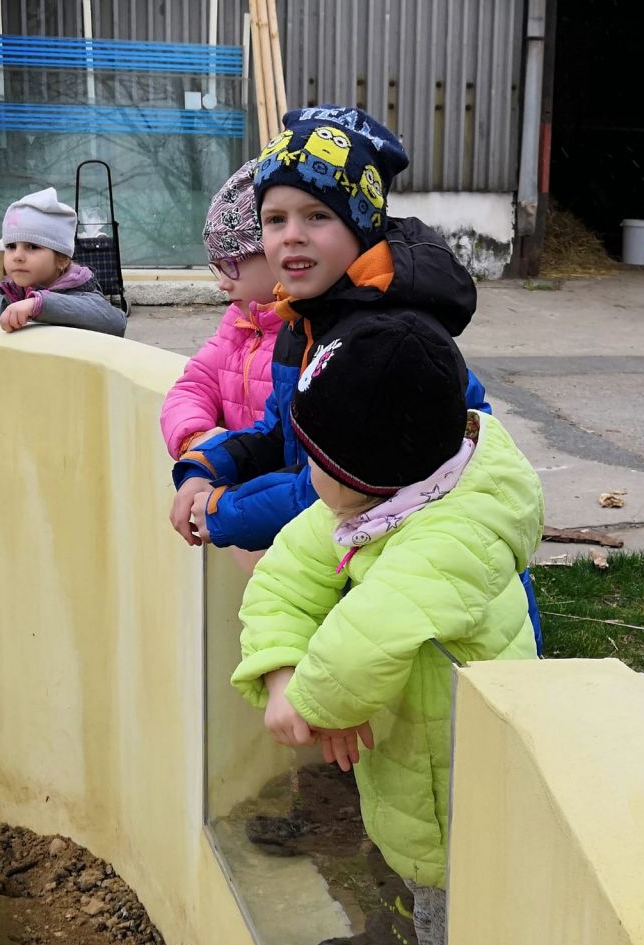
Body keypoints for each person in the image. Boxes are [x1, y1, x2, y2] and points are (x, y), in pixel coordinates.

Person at [230, 316, 544, 945]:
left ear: (362, 473)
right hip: (417, 773)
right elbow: (283, 578)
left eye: (316, 460)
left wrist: (313, 704)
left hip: (467, 800)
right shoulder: (382, 499)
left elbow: (371, 632)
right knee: (426, 914)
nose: (307, 477)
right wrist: (283, 672)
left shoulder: (459, 531)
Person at [168, 104, 542, 650]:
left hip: (426, 588)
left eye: (317, 216)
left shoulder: (385, 342)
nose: (291, 236)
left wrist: (223, 511)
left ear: (362, 224)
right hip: (358, 561)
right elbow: (282, 433)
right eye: (275, 220)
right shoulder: (303, 318)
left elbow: (332, 486)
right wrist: (207, 466)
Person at [160, 160, 283, 460]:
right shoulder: (239, 324)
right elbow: (194, 385)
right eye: (217, 268)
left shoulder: (308, 331)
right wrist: (195, 437)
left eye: (230, 265)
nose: (222, 283)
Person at [0, 187, 126, 337]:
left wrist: (39, 304)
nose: (17, 256)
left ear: (62, 260)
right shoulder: (2, 292)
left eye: (32, 246)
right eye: (11, 246)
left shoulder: (81, 294)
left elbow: (116, 323)